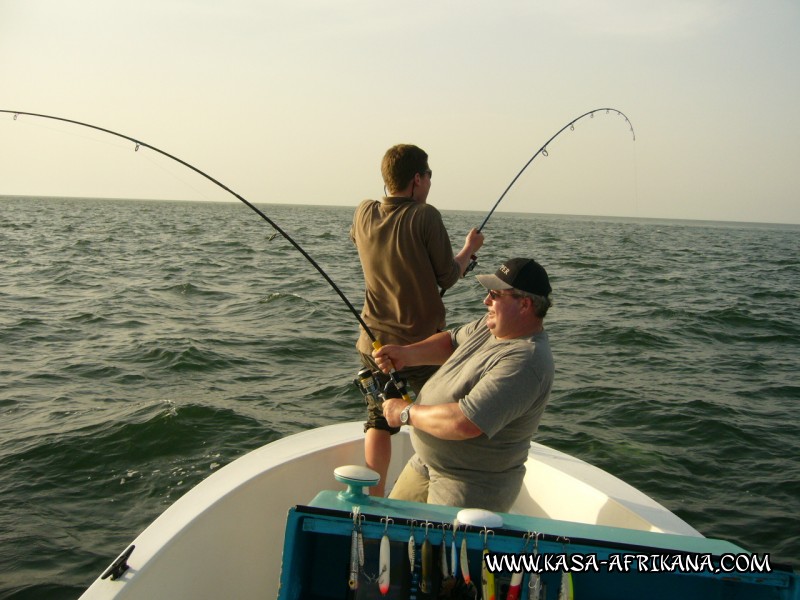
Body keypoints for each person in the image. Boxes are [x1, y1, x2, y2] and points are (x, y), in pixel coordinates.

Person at [351, 143, 484, 498]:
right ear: (416, 180)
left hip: (373, 345)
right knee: (446, 414)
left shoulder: (363, 212)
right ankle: (441, 491)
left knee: (380, 420)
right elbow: (448, 276)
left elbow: (364, 243)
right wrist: (469, 249)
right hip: (418, 348)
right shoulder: (426, 216)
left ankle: (374, 497)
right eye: (428, 176)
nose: (429, 183)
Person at [374, 257, 554, 512]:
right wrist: (406, 355)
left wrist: (405, 413)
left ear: (524, 304)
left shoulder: (527, 360)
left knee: (437, 553)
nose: (486, 301)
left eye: (495, 295)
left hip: (468, 486)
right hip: (425, 464)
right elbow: (451, 341)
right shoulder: (492, 325)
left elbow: (466, 422)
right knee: (385, 535)